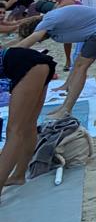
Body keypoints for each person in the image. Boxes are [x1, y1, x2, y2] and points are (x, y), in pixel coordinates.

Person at [15, 6, 96, 118]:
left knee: (81, 67)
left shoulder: (47, 22)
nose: (39, 42)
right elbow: (25, 40)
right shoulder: (48, 20)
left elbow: (32, 39)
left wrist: (11, 54)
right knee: (78, 64)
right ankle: (65, 104)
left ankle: (67, 109)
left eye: (40, 40)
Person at [0, 47, 58, 197]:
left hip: (28, 65)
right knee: (27, 125)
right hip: (35, 63)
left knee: (15, 130)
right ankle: (18, 175)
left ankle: (14, 177)